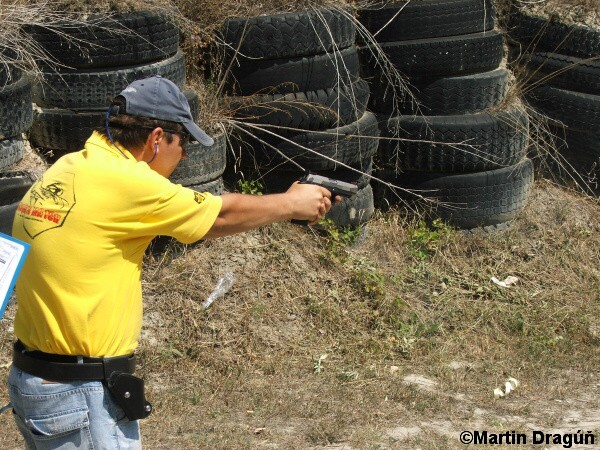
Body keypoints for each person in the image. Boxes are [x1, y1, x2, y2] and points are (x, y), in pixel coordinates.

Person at [7, 75, 334, 449]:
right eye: (184, 144)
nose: (185, 157)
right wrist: (292, 204)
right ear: (157, 138)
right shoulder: (127, 180)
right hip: (79, 393)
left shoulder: (69, 167)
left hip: (36, 380)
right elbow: (220, 216)